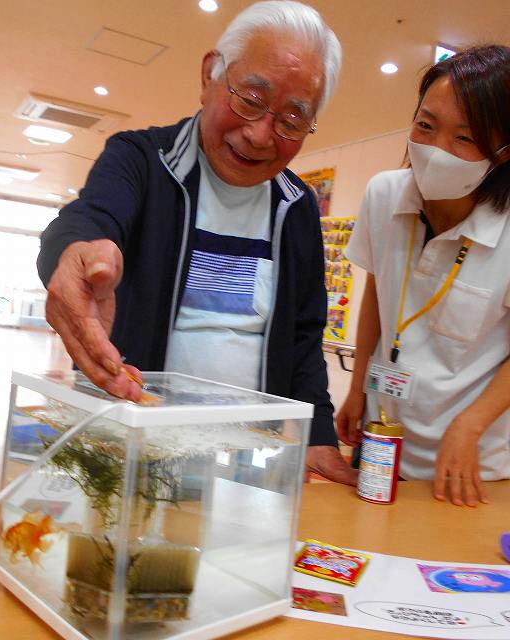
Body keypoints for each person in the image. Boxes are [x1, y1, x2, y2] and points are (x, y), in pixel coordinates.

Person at [37, 1, 357, 486]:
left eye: (292, 120)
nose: (259, 135)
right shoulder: (142, 159)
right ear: (211, 75)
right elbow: (89, 218)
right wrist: (77, 250)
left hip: (246, 470)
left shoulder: (297, 208)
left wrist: (317, 435)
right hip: (128, 455)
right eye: (250, 98)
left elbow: (305, 336)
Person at [338, 45, 510, 506]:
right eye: (426, 126)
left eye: (465, 138)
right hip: (380, 442)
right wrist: (357, 387)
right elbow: (378, 291)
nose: (436, 151)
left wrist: (470, 424)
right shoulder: (383, 194)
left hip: (471, 467)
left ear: (502, 152)